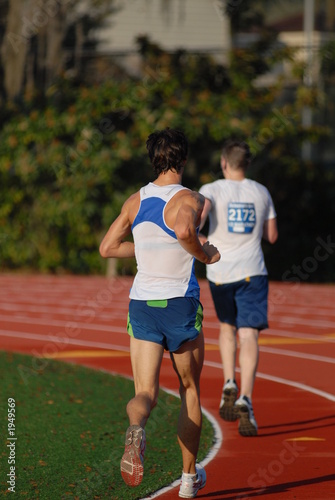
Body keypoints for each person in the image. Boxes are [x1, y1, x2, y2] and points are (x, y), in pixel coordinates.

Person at [99, 128, 220, 497]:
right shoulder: (194, 199)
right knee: (189, 391)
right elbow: (184, 230)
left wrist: (143, 251)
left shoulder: (134, 201)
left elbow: (107, 247)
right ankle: (187, 480)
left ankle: (136, 431)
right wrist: (205, 254)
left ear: (154, 160)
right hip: (179, 305)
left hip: (142, 306)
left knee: (145, 392)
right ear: (183, 160)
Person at [199, 139, 278, 437]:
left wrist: (204, 239)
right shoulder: (261, 191)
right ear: (247, 163)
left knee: (226, 327)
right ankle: (245, 395)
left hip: (220, 270)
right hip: (252, 271)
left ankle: (228, 380)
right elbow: (272, 236)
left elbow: (198, 220)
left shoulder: (211, 189)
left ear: (223, 162)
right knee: (249, 334)